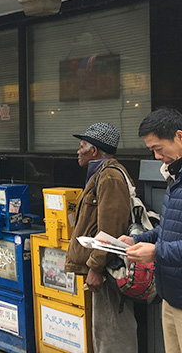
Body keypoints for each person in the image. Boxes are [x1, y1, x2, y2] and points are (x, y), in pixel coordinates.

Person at [64, 122, 137, 352]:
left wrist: (95, 268)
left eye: (81, 146)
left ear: (94, 150)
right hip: (104, 267)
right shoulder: (101, 174)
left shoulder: (109, 177)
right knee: (104, 333)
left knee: (113, 334)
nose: (78, 151)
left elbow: (111, 229)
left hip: (108, 270)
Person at [119, 108, 182, 353]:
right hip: (171, 296)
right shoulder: (175, 178)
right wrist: (134, 239)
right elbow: (168, 229)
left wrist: (155, 252)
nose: (156, 156)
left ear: (179, 136)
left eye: (158, 148)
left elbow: (164, 244)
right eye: (151, 150)